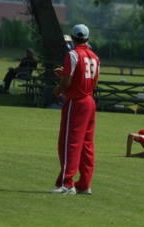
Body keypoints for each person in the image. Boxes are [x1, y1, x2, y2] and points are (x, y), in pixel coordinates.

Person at [51, 24, 100, 195]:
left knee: (69, 142)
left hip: (76, 102)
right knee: (87, 145)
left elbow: (67, 83)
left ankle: (67, 183)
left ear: (72, 38)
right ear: (87, 38)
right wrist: (65, 74)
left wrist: (57, 92)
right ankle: (85, 184)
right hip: (89, 101)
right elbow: (92, 81)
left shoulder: (72, 54)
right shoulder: (94, 57)